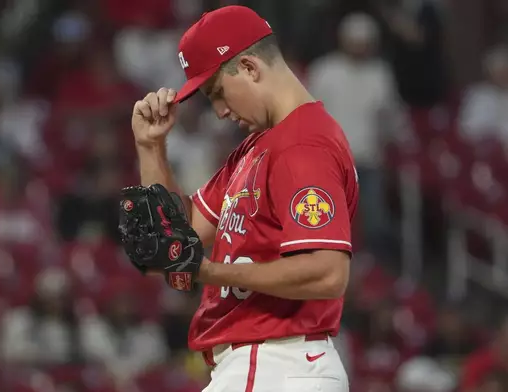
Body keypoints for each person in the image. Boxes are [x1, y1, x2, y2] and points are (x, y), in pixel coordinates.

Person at [131, 5, 358, 392]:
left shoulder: (302, 143)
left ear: (251, 68)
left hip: (275, 361)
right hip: (266, 364)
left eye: (217, 93)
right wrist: (152, 148)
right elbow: (180, 234)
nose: (219, 111)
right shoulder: (260, 146)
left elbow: (327, 272)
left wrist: (206, 271)